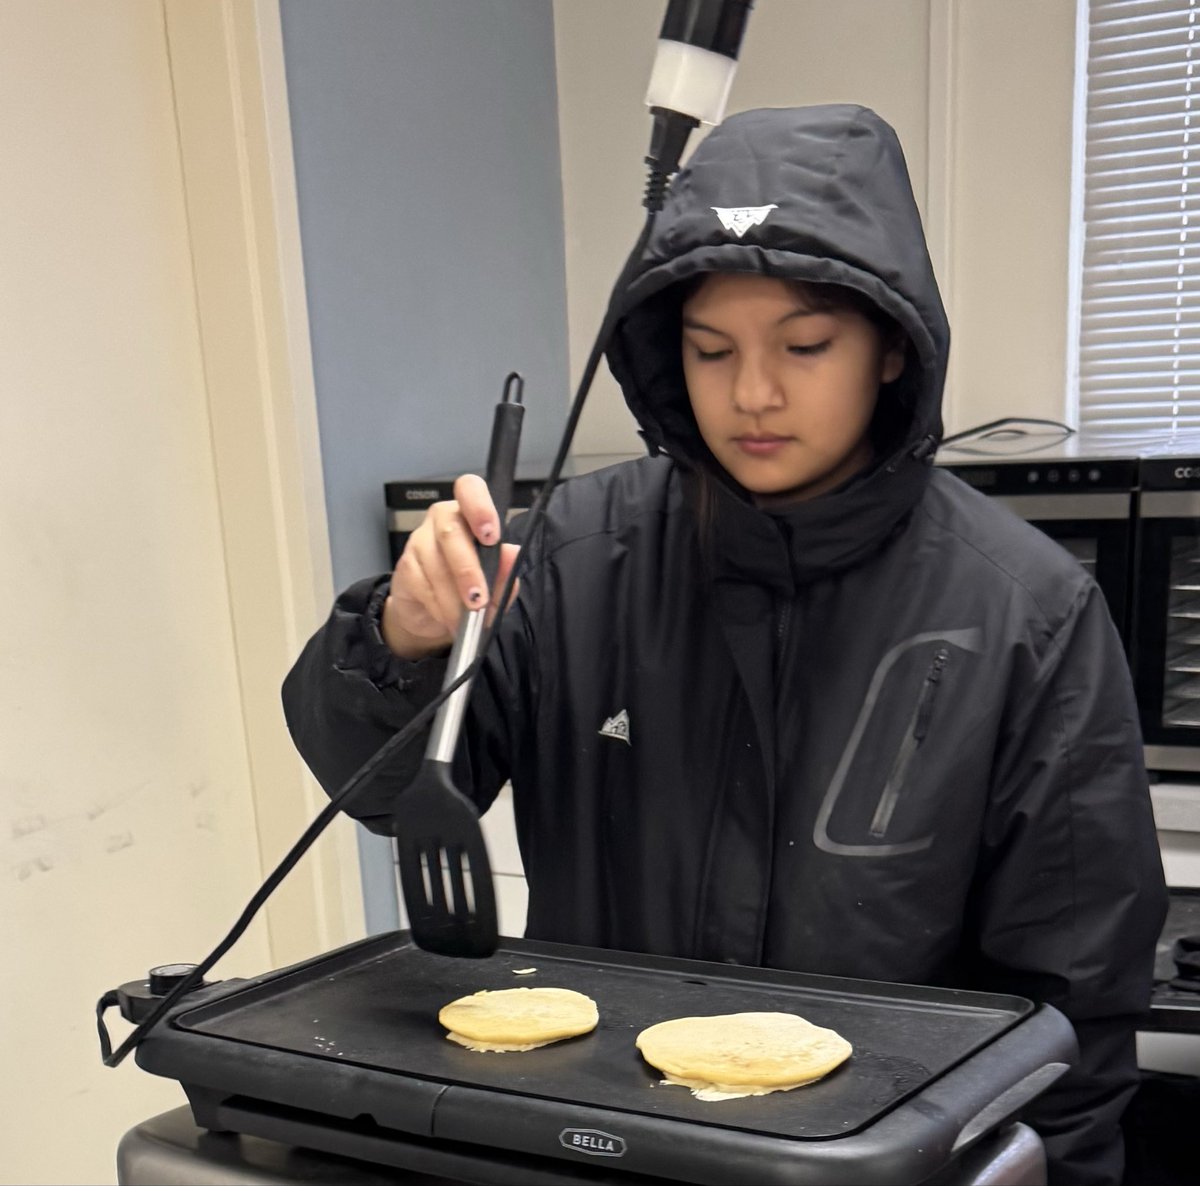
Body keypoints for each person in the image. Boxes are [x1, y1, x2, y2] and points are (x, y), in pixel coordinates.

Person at [282, 104, 1166, 1185]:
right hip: (601, 1149)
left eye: (805, 345)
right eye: (710, 349)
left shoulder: (1025, 609)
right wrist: (403, 641)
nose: (752, 393)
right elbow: (386, 790)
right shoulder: (568, 554)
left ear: (892, 347)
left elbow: (1075, 990)